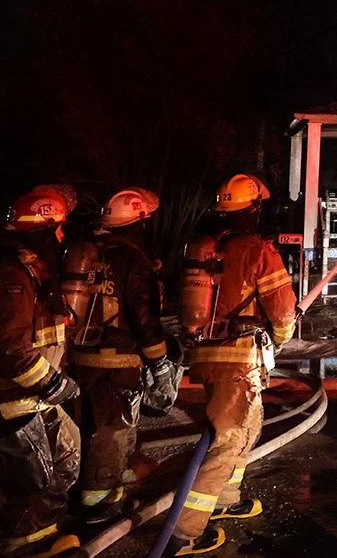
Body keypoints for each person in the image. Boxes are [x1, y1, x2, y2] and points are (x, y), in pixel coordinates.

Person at [165, 174, 296, 557]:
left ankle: (225, 500)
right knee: (228, 440)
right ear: (253, 209)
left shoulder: (208, 248)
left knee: (247, 428)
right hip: (238, 360)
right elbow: (283, 311)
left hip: (208, 355)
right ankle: (183, 533)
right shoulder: (257, 251)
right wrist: (281, 339)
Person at [0, 189, 83, 558]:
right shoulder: (10, 278)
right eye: (56, 229)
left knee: (64, 458)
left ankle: (37, 534)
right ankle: (27, 546)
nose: (61, 237)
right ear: (41, 231)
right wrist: (53, 383)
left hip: (27, 400)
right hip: (6, 403)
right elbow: (7, 349)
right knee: (35, 483)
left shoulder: (26, 273)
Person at [66, 188, 174, 523]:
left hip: (79, 360)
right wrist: (160, 364)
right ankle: (99, 509)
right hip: (118, 363)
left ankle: (80, 497)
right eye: (144, 221)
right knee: (112, 433)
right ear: (136, 222)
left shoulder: (82, 253)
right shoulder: (132, 260)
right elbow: (144, 318)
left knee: (82, 430)